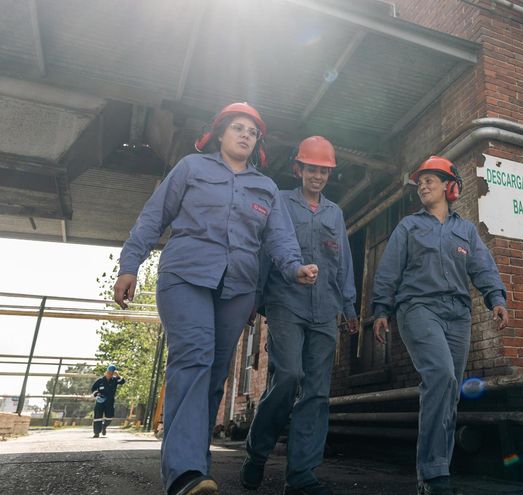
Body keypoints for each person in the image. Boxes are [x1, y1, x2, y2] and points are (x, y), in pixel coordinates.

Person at [112, 102, 319, 495]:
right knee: (194, 359)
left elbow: (279, 239)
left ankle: (195, 473)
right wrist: (129, 266)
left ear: (257, 143)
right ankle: (184, 473)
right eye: (237, 128)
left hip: (237, 287)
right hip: (185, 276)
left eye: (252, 131)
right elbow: (153, 217)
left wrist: (295, 267)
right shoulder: (192, 168)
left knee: (212, 377)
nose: (245, 134)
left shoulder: (266, 187)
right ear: (220, 133)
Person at [371, 156, 509, 495]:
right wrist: (381, 309)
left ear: (451, 187)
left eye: (430, 179)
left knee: (449, 393)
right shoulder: (408, 227)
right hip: (418, 308)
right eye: (420, 181)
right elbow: (389, 270)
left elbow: (482, 267)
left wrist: (497, 299)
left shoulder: (465, 231)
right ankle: (433, 472)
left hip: (458, 314)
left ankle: (436, 472)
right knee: (441, 376)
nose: (423, 185)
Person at [241, 136, 358, 495]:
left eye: (324, 170)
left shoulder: (334, 213)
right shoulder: (280, 201)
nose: (318, 176)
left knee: (317, 393)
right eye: (312, 168)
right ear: (299, 168)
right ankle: (258, 452)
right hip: (285, 301)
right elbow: (265, 250)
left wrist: (349, 306)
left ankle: (302, 475)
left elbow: (343, 262)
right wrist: (253, 299)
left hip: (325, 308)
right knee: (289, 374)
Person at [90, 364, 125, 438]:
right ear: (106, 372)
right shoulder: (100, 380)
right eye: (109, 372)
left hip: (110, 402)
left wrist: (118, 375)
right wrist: (97, 394)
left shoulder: (115, 380)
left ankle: (104, 426)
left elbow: (122, 381)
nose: (110, 374)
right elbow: (93, 388)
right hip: (100, 402)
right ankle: (96, 433)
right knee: (97, 418)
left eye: (112, 373)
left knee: (109, 417)